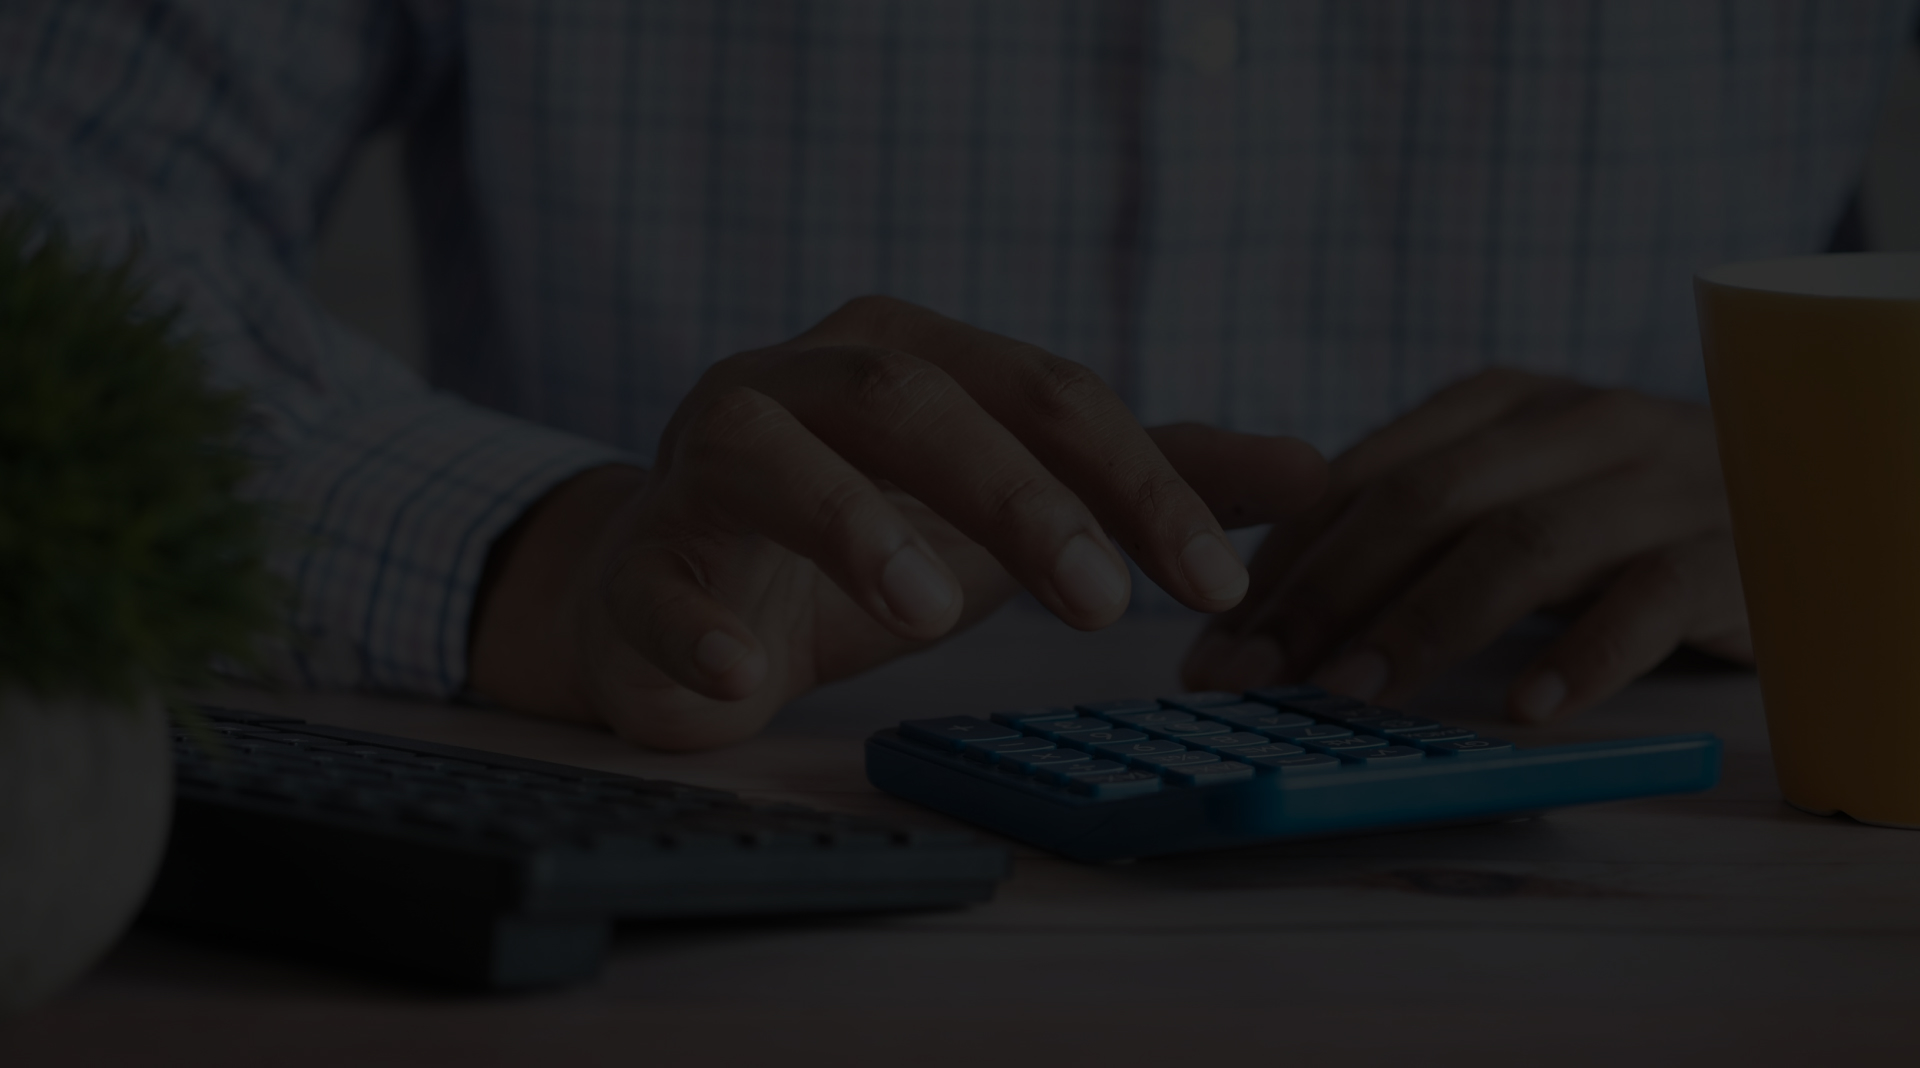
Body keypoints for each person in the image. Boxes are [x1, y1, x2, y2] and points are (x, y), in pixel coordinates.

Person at [3, 1, 1914, 750]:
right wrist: (529, 555)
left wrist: (1872, 482)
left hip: (1693, 932)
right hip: (674, 897)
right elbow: (46, 205)